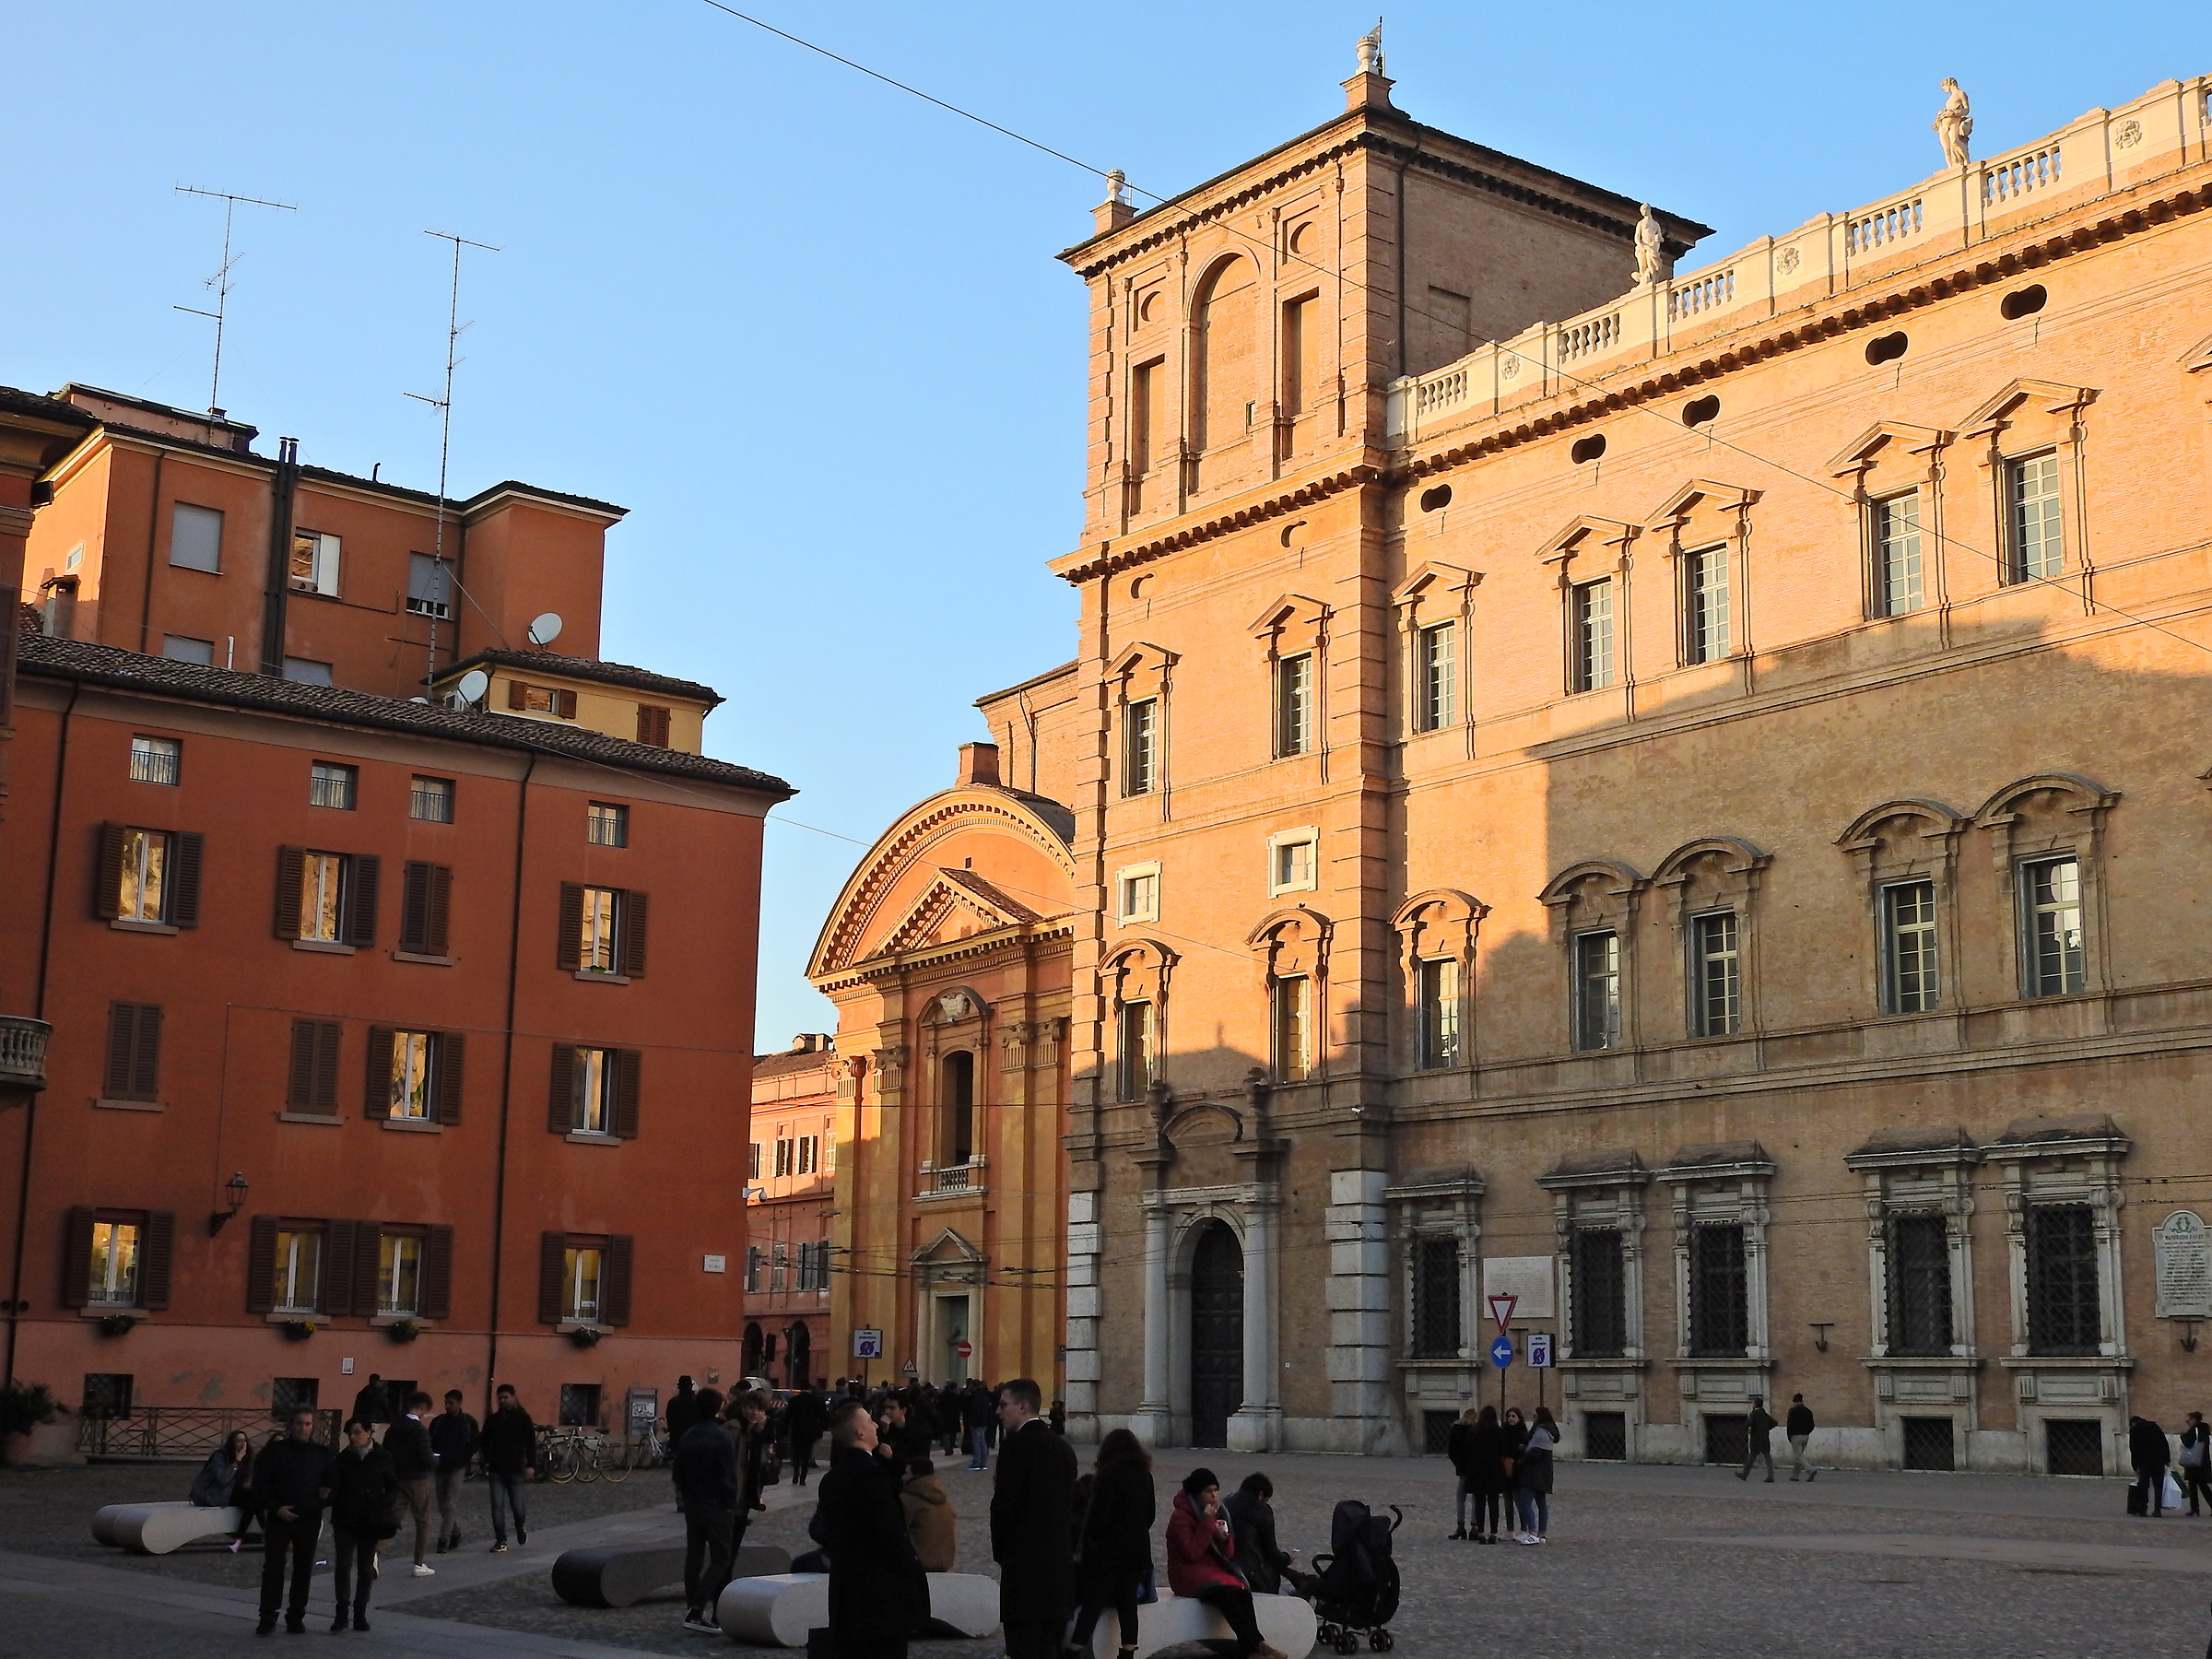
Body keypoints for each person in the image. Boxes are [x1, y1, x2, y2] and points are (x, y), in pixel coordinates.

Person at [819, 1399, 928, 1659]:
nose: (876, 1424)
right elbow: (891, 1534)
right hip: (879, 1595)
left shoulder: (832, 1478)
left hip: (846, 1588)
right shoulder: (872, 1476)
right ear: (860, 1432)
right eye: (870, 1420)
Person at [991, 1377, 1080, 1659]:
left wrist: (1003, 1553)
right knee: (1050, 1647)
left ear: (1024, 1406)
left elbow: (1003, 1507)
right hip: (1058, 1569)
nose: (998, 1411)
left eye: (1004, 1405)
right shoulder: (1064, 1449)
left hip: (1023, 1568)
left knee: (1024, 1647)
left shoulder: (1015, 1446)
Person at [1164, 1468, 1287, 1659]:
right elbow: (1192, 1554)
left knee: (1242, 1592)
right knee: (1224, 1594)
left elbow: (1228, 1554)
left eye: (1215, 1489)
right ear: (1196, 1493)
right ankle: (1258, 1644)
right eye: (1208, 1491)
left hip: (1211, 1570)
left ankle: (1250, 1650)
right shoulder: (1181, 1517)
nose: (1214, 1495)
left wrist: (1223, 1539)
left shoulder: (1219, 1511)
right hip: (1186, 1574)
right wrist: (1206, 1524)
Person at [1067, 1429, 1155, 1659]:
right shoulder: (1145, 1474)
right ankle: (1127, 1653)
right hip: (1137, 1549)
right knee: (1128, 1605)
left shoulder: (1108, 1475)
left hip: (1109, 1552)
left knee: (1093, 1603)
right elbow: (1150, 1514)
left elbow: (1099, 1516)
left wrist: (1093, 1545)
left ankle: (1074, 1648)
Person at [251, 1405, 335, 1636]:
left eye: (308, 1424)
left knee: (303, 1569)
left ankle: (296, 1616)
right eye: (299, 1423)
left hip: (309, 1519)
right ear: (290, 1425)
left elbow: (332, 1486)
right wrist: (276, 1509)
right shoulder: (273, 1452)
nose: (303, 1428)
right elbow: (260, 1485)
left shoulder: (322, 1453)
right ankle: (267, 1616)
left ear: (313, 1426)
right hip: (279, 1517)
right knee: (274, 1568)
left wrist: (321, 1501)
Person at [674, 1386, 737, 1634]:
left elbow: (678, 1472)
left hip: (693, 1503)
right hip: (716, 1504)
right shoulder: (722, 1437)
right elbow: (727, 1475)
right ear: (719, 1407)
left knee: (695, 1558)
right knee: (722, 1557)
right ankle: (697, 1609)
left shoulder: (689, 1435)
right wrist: (730, 1503)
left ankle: (693, 1606)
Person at [328, 1416, 401, 1633]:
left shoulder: (382, 1456)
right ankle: (341, 1613)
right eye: (349, 1433)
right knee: (342, 1566)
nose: (352, 1437)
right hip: (345, 1519)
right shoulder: (342, 1459)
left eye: (357, 1432)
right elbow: (334, 1486)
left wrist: (384, 1503)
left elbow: (393, 1486)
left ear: (369, 1433)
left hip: (371, 1519)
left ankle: (360, 1612)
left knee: (365, 1568)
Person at [385, 1392, 438, 1576]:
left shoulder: (393, 1428)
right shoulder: (420, 1430)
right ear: (422, 1409)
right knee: (423, 1520)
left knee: (393, 1519)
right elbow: (426, 1458)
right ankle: (419, 1563)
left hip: (398, 1478)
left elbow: (386, 1452)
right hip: (417, 1480)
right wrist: (435, 1460)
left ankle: (374, 1553)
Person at [1225, 1471, 1303, 1594]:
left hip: (1226, 1565)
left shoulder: (1226, 1502)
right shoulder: (1261, 1510)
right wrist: (1288, 1558)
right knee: (1272, 1574)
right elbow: (1271, 1552)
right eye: (1266, 1500)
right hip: (1251, 1574)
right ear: (1261, 1495)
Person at [481, 1382, 536, 1550]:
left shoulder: (522, 1418)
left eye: (505, 1397)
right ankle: (501, 1540)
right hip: (496, 1470)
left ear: (513, 1397)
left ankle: (520, 1526)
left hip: (515, 1469)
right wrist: (488, 1459)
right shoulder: (492, 1419)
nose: (503, 1401)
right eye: (500, 1398)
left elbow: (531, 1443)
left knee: (518, 1508)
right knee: (497, 1507)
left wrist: (531, 1465)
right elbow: (484, 1441)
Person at [189, 1427, 258, 1551]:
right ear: (232, 1443)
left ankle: (240, 1539)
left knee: (254, 1501)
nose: (242, 1444)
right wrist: (236, 1462)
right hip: (215, 1496)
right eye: (238, 1441)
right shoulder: (220, 1456)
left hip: (231, 1494)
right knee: (252, 1500)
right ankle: (242, 1538)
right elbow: (223, 1480)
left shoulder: (247, 1458)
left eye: (244, 1441)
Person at [429, 1388, 480, 1553]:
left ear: (459, 1403)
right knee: (442, 1504)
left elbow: (474, 1442)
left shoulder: (468, 1422)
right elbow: (431, 1441)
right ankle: (455, 1531)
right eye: (446, 1402)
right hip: (441, 1466)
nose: (447, 1406)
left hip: (458, 1467)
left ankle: (443, 1539)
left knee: (450, 1503)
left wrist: (464, 1457)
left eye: (451, 1403)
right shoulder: (438, 1422)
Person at [900, 1455, 958, 1571]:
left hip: (918, 1563)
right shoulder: (942, 1498)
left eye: (906, 1473)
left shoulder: (907, 1500)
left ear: (916, 1476)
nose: (902, 1477)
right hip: (943, 1560)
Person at [1514, 1406, 1558, 1545]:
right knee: (1541, 1502)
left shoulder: (1541, 1432)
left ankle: (1533, 1532)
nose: (1533, 1418)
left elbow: (1535, 1453)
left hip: (1535, 1472)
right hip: (1544, 1472)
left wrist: (1521, 1461)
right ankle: (1542, 1534)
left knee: (1525, 1502)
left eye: (1534, 1416)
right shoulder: (1548, 1431)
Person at [1467, 1406, 1510, 1545]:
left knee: (1479, 1502)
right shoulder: (1499, 1432)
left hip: (1478, 1470)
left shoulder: (1474, 1431)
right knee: (1493, 1503)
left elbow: (1468, 1450)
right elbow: (1503, 1450)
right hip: (1494, 1470)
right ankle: (1493, 1532)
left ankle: (1480, 1532)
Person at [1445, 1406, 1481, 1539]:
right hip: (1475, 1469)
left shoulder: (1456, 1429)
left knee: (1460, 1498)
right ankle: (1474, 1527)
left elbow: (1451, 1451)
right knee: (1476, 1498)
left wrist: (1459, 1464)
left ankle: (1460, 1527)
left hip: (1462, 1469)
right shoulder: (1477, 1430)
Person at [2129, 1413, 2172, 1517]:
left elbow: (2134, 1449)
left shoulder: (2135, 1430)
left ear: (2132, 1423)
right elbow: (2164, 1443)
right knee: (2158, 1486)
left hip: (2144, 1462)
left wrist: (2135, 1466)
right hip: (2158, 1460)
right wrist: (2167, 1459)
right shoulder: (2155, 1427)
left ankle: (2143, 1509)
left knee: (2144, 1486)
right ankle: (2157, 1510)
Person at [787, 1384, 829, 1486]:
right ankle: (803, 1478)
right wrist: (820, 1430)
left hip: (796, 1431)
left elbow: (787, 1417)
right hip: (810, 1432)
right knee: (806, 1455)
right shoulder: (815, 1401)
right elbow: (822, 1417)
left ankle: (796, 1473)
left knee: (796, 1454)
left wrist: (784, 1431)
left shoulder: (793, 1401)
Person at [1737, 1396, 1777, 1483]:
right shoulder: (1765, 1414)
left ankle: (1744, 1474)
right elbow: (1774, 1423)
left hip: (1756, 1439)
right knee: (1767, 1457)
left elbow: (1748, 1423)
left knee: (1751, 1457)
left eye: (1753, 1403)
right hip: (1765, 1439)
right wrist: (1766, 1428)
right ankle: (1770, 1476)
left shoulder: (1754, 1414)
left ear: (1755, 1404)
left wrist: (1746, 1430)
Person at [2181, 1411, 2211, 1516]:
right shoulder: (2204, 1431)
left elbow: (2188, 1443)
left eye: (2189, 1419)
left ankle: (2195, 1508)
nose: (2187, 1421)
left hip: (2194, 1462)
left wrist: (2184, 1435)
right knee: (2202, 1486)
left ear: (2194, 1420)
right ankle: (2195, 1508)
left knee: (2195, 1486)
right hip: (2202, 1462)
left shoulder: (2195, 1430)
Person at [961, 1379, 994, 1471]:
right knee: (982, 1442)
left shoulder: (975, 1396)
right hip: (984, 1421)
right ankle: (983, 1462)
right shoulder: (985, 1395)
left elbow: (974, 1410)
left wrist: (972, 1422)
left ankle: (976, 1462)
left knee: (976, 1442)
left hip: (977, 1422)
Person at [1785, 1394, 1818, 1483]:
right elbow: (1812, 1425)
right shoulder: (1808, 1411)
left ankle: (1810, 1469)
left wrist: (1789, 1436)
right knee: (1799, 1457)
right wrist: (1807, 1432)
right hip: (1805, 1436)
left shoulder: (1792, 1411)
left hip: (1796, 1436)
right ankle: (1795, 1475)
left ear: (1794, 1401)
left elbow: (1790, 1424)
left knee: (1798, 1457)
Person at [350, 1373, 391, 1441]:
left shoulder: (361, 1393)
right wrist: (389, 1419)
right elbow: (385, 1407)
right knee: (372, 1437)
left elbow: (357, 1407)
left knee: (363, 1436)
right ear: (377, 1381)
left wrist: (354, 1419)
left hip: (362, 1419)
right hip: (374, 1420)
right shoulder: (379, 1394)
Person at [667, 1375, 702, 1443]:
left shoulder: (673, 1402)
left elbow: (670, 1421)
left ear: (679, 1387)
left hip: (676, 1440)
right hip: (694, 1440)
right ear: (691, 1387)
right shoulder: (698, 1401)